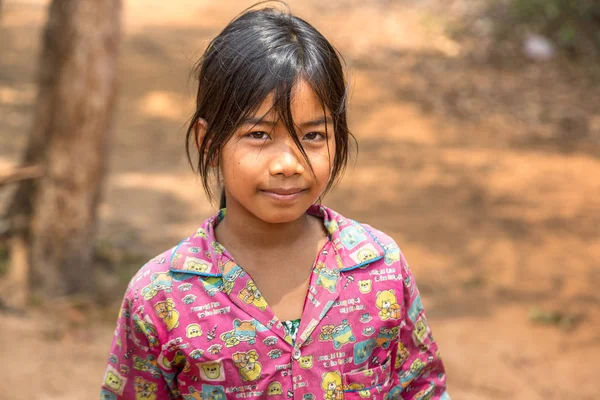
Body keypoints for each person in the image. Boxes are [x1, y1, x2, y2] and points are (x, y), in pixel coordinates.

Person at [100, 4, 450, 400]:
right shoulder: (161, 296)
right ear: (208, 142)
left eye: (313, 136)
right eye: (259, 135)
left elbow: (421, 389)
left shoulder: (379, 268)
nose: (288, 164)